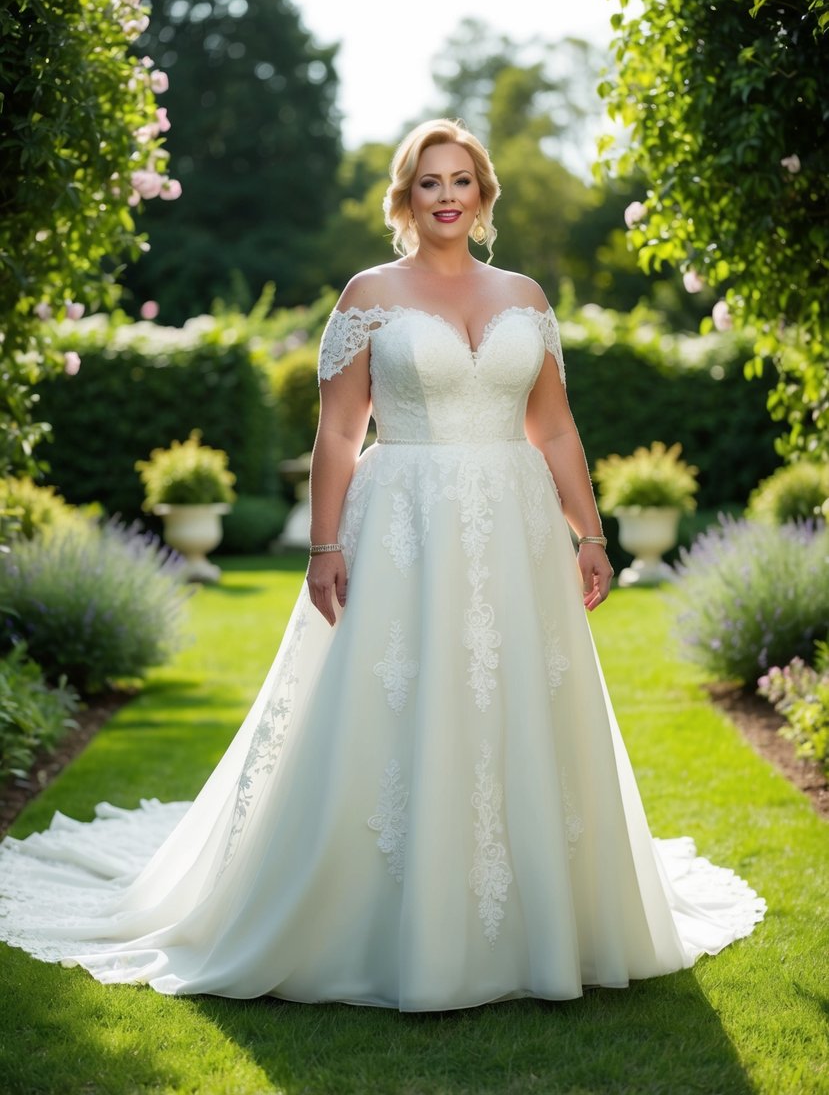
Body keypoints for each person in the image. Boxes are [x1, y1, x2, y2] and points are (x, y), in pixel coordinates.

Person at [0, 119, 764, 1010]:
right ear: (405, 197)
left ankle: (537, 920)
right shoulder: (368, 292)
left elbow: (551, 427)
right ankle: (373, 911)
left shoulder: (525, 296)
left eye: (462, 181)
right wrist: (324, 546)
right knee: (399, 699)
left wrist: (589, 533)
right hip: (402, 521)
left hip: (515, 529)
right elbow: (336, 429)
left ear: (482, 196)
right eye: (430, 181)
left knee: (517, 695)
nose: (447, 195)